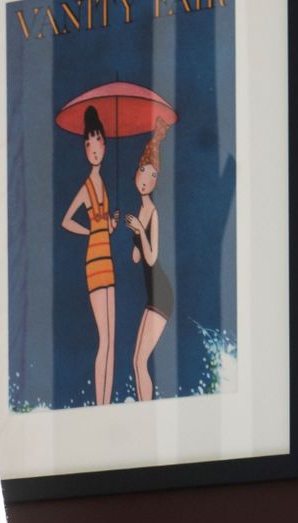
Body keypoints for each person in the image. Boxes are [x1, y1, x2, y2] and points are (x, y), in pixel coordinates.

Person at [60, 105, 119, 407]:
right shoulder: (86, 187)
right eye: (88, 143)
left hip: (107, 260)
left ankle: (105, 401)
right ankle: (101, 404)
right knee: (104, 338)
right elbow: (66, 220)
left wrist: (108, 225)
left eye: (98, 142)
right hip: (95, 263)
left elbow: (103, 225)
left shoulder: (104, 184)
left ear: (104, 145)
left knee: (112, 338)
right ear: (85, 148)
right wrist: (92, 232)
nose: (94, 148)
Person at [123, 120, 174, 404]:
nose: (147, 178)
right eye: (144, 171)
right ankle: (145, 406)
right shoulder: (140, 213)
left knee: (140, 360)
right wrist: (133, 233)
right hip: (153, 294)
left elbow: (152, 257)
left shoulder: (151, 213)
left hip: (161, 294)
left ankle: (146, 409)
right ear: (136, 173)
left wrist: (140, 232)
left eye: (153, 175)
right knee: (136, 359)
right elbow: (136, 258)